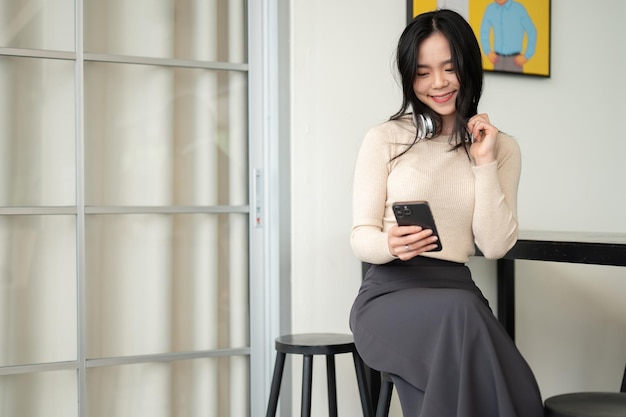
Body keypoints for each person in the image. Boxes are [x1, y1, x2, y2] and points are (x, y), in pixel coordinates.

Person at [349, 9, 544, 417]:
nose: (437, 83)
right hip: (390, 295)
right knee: (467, 323)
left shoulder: (501, 148)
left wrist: (484, 162)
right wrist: (388, 242)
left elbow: (493, 246)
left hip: (457, 299)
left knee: (503, 379)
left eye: (449, 68)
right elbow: (359, 236)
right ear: (409, 78)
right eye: (422, 73)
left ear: (469, 68)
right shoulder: (385, 138)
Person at [480, 0, 537, 73]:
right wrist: (487, 51)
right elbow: (484, 31)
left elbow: (531, 31)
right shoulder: (490, 9)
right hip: (497, 60)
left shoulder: (519, 9)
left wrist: (527, 55)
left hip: (515, 60)